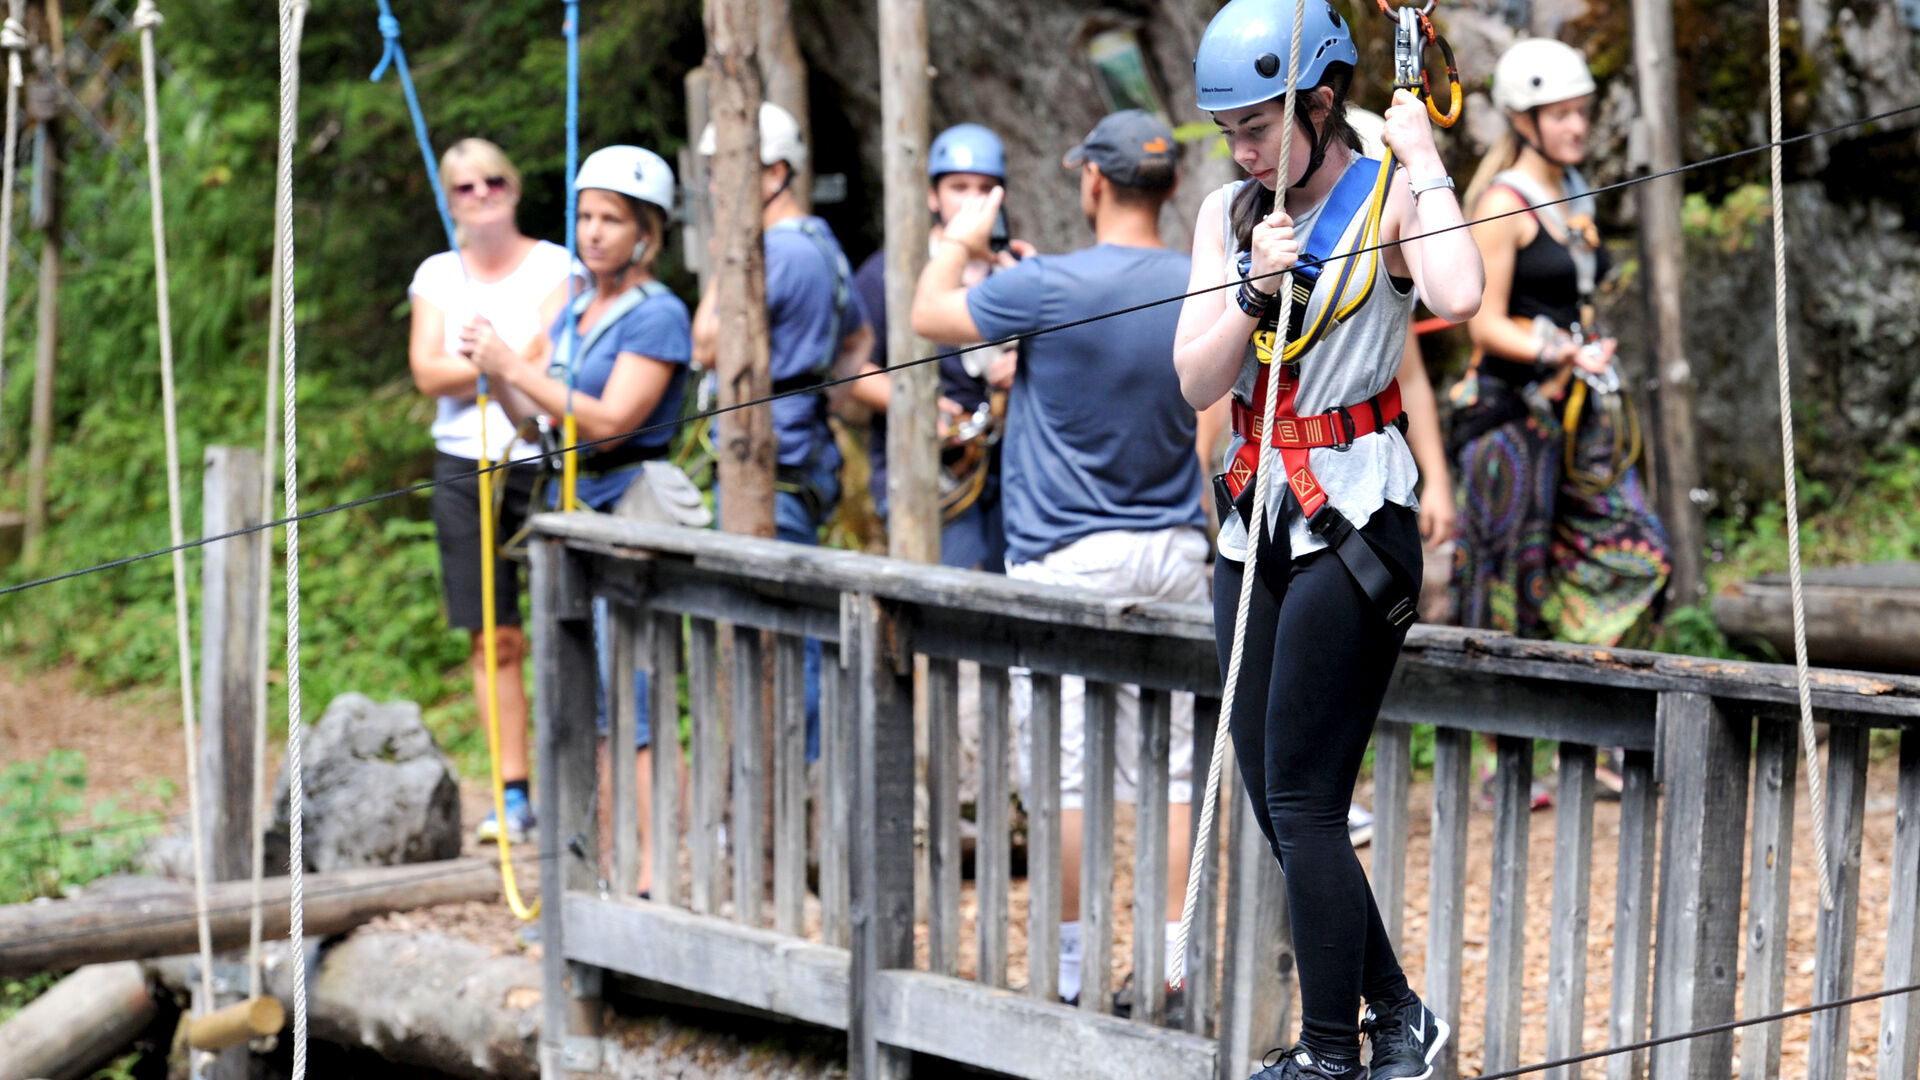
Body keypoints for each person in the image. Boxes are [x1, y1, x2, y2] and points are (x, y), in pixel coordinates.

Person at [1172, 0, 1483, 1075]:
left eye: (1258, 125)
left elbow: (1460, 290)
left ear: (1319, 105)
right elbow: (1195, 380)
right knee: (1268, 787)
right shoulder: (1228, 214)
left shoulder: (1390, 196)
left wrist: (1426, 161)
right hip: (1254, 516)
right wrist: (1253, 286)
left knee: (1303, 790)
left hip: (1354, 517)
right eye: (1230, 132)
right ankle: (1397, 1014)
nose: (1243, 149)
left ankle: (1329, 1055)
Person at [911, 109, 1206, 1009]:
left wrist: (957, 242)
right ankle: (1171, 966)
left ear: (1092, 183)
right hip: (1177, 549)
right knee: (1179, 767)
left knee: (1071, 772)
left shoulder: (1048, 285)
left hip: (1068, 558)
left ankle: (1073, 970)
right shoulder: (1205, 280)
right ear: (1168, 189)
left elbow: (930, 314)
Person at [462, 144, 703, 897]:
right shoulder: (573, 308)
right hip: (576, 514)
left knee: (635, 696)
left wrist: (517, 367)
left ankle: (657, 871)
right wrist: (499, 374)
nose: (594, 232)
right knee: (591, 699)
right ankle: (605, 861)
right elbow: (535, 418)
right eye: (586, 217)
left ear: (647, 232)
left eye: (613, 219)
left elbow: (611, 421)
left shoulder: (659, 314)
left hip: (629, 508)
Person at [1454, 40, 1670, 804]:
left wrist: (1583, 345)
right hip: (1508, 421)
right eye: (1563, 113)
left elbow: (1569, 296)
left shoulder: (1576, 192)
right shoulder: (1502, 206)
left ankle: (1600, 729)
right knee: (1510, 579)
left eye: (1582, 111)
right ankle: (1499, 759)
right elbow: (1483, 324)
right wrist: (1558, 348)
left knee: (1642, 551)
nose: (1578, 125)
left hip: (1573, 418)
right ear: (1525, 119)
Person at [693, 102, 872, 760]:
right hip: (803, 456)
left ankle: (799, 790)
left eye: (722, 170)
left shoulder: (778, 252)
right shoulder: (823, 245)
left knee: (778, 642)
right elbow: (857, 343)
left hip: (774, 466)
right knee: (789, 635)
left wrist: (724, 261)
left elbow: (707, 342)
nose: (713, 185)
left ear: (771, 171)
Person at [408, 137, 574, 844]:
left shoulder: (554, 265)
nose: (481, 196)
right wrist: (507, 361)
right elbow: (426, 371)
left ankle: (575, 777)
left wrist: (481, 359)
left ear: (515, 186)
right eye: (464, 188)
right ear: (450, 202)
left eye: (492, 181)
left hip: (535, 457)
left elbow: (551, 358)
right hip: (462, 466)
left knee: (563, 623)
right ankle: (512, 790)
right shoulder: (439, 274)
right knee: (493, 637)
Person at [848, 123, 1030, 570]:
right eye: (958, 187)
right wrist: (920, 409)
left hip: (1014, 474)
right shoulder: (888, 274)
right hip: (928, 473)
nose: (972, 199)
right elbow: (850, 368)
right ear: (933, 196)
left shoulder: (1021, 268)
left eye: (985, 188)